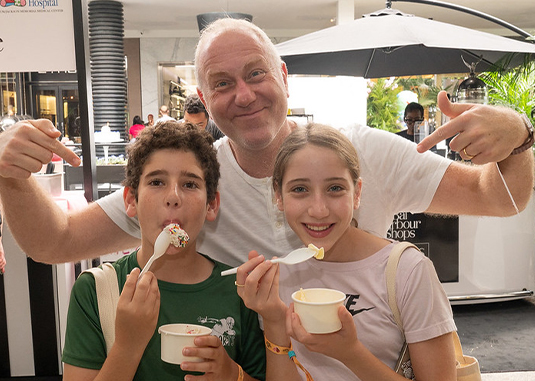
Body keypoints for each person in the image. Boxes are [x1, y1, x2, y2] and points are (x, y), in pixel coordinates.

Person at [0, 18, 532, 270]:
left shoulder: (363, 151)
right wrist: (10, 174)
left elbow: (497, 196)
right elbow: (57, 243)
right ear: (205, 99)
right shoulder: (193, 180)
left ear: (283, 76)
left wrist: (521, 136)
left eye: (256, 74)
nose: (245, 95)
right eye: (223, 84)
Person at [237, 123, 458, 381]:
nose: (318, 209)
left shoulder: (407, 271)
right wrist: (273, 320)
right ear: (278, 197)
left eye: (335, 188)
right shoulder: (281, 275)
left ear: (358, 193)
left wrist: (351, 353)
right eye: (300, 190)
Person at [60, 121, 265, 381]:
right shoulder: (95, 290)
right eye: (156, 182)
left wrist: (229, 373)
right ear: (131, 200)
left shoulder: (237, 289)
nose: (173, 197)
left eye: (190, 184)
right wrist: (128, 346)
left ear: (212, 205)